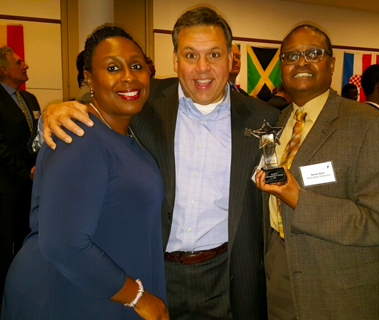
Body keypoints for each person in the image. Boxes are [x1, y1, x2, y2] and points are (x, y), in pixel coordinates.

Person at [37, 7, 280, 319]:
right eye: (191, 56)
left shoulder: (265, 119)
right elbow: (95, 107)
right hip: (150, 269)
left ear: (231, 60)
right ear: (175, 60)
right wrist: (51, 113)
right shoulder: (143, 101)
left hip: (227, 274)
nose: (202, 68)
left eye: (214, 55)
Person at [1, 26, 169, 320]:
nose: (129, 75)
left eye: (137, 65)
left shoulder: (124, 130)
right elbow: (64, 244)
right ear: (88, 77)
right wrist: (140, 298)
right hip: (66, 291)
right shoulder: (79, 135)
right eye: (113, 67)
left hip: (101, 287)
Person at [255, 24, 379, 319]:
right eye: (291, 56)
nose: (302, 62)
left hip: (343, 290)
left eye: (314, 53)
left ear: (332, 64)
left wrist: (300, 200)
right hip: (279, 276)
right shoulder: (276, 123)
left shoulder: (369, 125)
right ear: (281, 67)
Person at [0, 46, 40, 295]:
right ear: (3, 69)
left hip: (33, 185)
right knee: (6, 246)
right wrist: (25, 171)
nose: (25, 66)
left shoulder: (30, 99)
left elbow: (39, 139)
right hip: (7, 188)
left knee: (30, 240)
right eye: (18, 62)